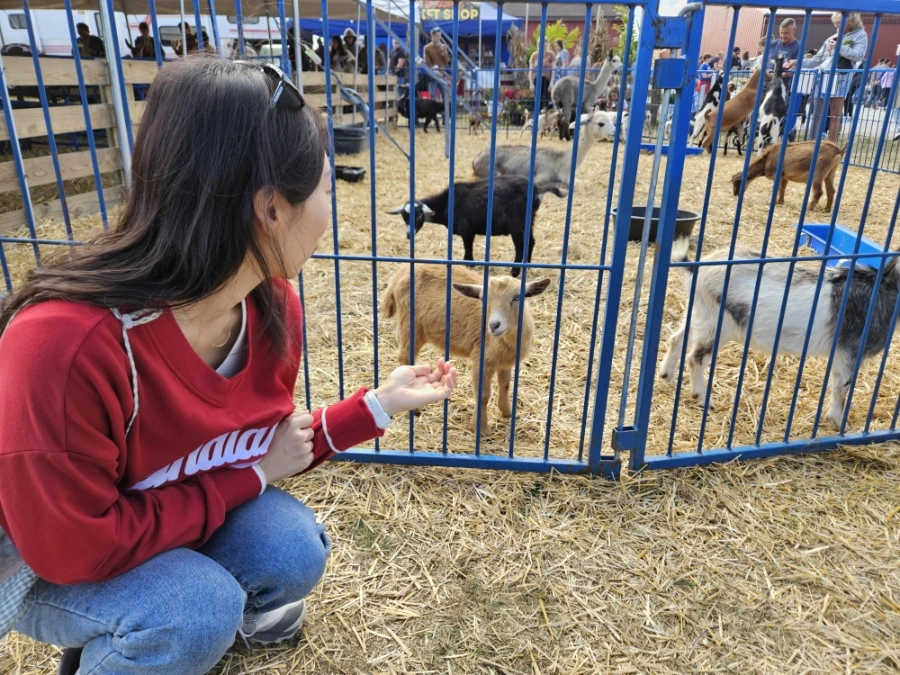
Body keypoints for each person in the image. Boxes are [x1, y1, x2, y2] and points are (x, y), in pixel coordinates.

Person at [0, 58, 458, 675]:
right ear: (270, 209)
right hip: (40, 560)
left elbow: (265, 447)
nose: (331, 211)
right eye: (327, 189)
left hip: (151, 514)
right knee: (195, 608)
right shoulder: (64, 345)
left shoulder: (272, 308)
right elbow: (72, 550)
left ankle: (166, 632)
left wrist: (379, 404)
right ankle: (145, 633)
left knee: (290, 548)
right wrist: (250, 479)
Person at [799, 12, 868, 143]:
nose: (836, 26)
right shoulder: (832, 38)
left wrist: (839, 47)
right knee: (817, 114)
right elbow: (816, 60)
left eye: (839, 23)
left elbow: (858, 55)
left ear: (850, 21)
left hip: (841, 78)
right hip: (823, 77)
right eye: (835, 23)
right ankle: (812, 144)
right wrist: (797, 62)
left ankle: (832, 146)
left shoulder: (860, 35)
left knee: (835, 114)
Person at [423, 28, 451, 100]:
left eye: (440, 36)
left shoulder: (443, 46)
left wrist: (442, 52)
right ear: (432, 36)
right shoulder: (427, 47)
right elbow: (427, 61)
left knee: (445, 95)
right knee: (432, 96)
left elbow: (447, 60)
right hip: (432, 75)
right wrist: (433, 69)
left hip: (442, 74)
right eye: (437, 36)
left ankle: (446, 107)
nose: (439, 38)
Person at [529, 47, 555, 111]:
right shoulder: (534, 55)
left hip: (547, 80)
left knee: (547, 100)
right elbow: (531, 71)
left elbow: (553, 70)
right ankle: (537, 115)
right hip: (537, 79)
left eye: (545, 45)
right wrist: (531, 83)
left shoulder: (551, 54)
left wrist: (551, 82)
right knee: (537, 100)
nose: (543, 46)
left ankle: (547, 114)